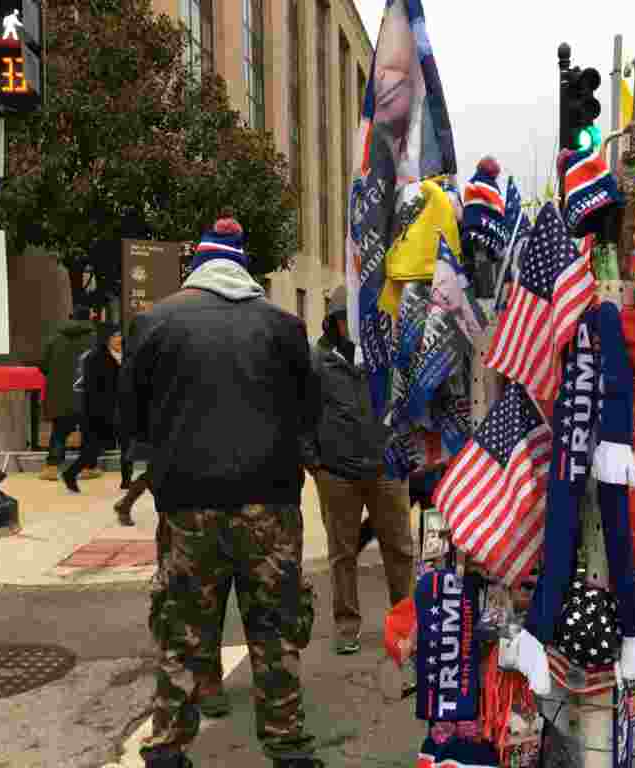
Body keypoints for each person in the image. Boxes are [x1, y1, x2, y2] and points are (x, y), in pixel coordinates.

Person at [120, 215, 322, 768]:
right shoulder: (284, 328)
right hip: (271, 507)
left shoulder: (155, 323)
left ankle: (167, 750)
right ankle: (288, 748)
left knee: (182, 634)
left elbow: (131, 421)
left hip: (187, 509)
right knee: (276, 632)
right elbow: (309, 414)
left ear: (197, 266)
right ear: (242, 265)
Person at [302, 287, 415, 656]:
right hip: (338, 475)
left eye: (359, 317)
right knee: (342, 554)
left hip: (386, 468)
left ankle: (406, 625)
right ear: (333, 322)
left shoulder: (388, 357)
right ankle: (346, 626)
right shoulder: (317, 362)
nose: (351, 325)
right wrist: (314, 464)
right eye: (344, 317)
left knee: (398, 550)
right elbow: (299, 415)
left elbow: (408, 402)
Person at [61, 324, 133, 496]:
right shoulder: (94, 358)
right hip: (98, 412)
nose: (119, 339)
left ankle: (126, 482)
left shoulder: (128, 356)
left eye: (120, 335)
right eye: (115, 336)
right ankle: (70, 474)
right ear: (106, 339)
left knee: (127, 447)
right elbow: (91, 389)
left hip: (123, 409)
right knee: (91, 451)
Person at [38, 306, 100, 481]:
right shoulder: (95, 339)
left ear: (70, 318)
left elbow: (43, 365)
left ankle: (51, 468)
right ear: (89, 318)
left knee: (59, 431)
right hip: (87, 393)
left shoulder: (55, 339)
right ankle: (88, 467)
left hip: (60, 394)